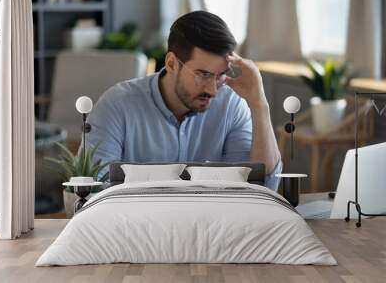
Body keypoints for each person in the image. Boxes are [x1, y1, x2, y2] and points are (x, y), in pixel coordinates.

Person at [84, 11, 282, 190]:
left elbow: (262, 187)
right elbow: (97, 188)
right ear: (171, 63)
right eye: (203, 74)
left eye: (220, 75)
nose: (213, 89)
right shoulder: (116, 105)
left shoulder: (232, 105)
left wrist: (259, 104)